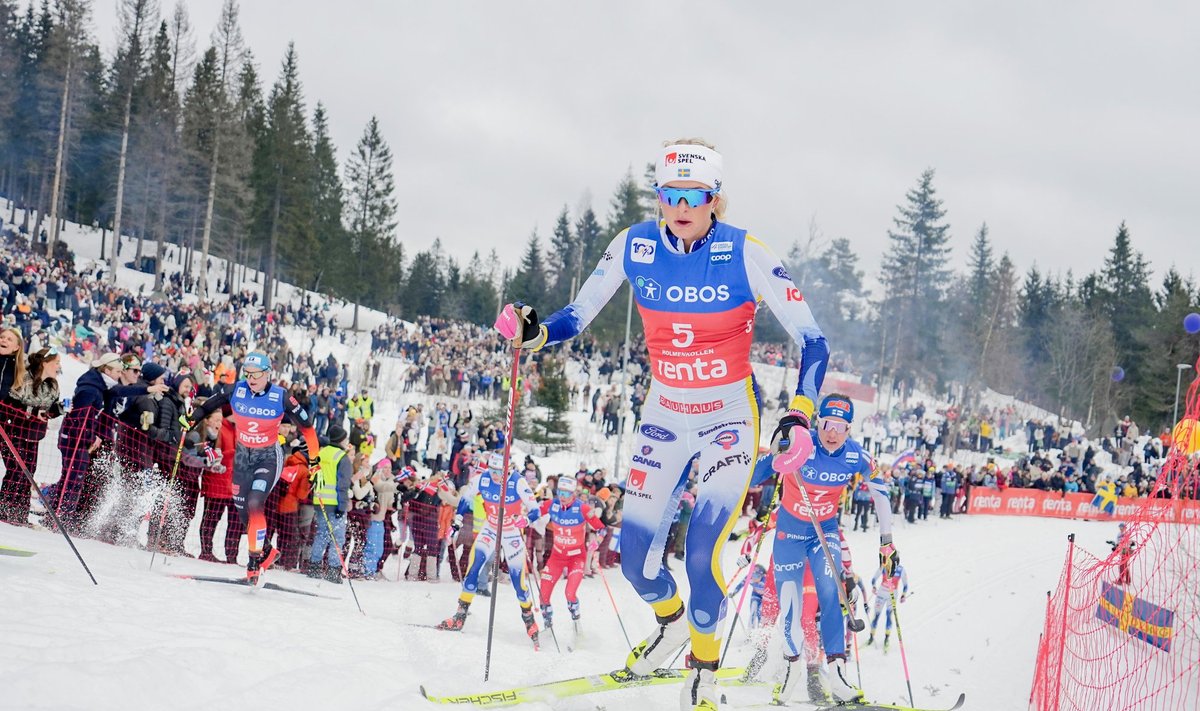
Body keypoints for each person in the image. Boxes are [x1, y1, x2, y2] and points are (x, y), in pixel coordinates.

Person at [505, 138, 828, 711]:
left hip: (728, 415)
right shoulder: (634, 245)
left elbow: (812, 338)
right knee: (635, 561)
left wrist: (800, 414)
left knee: (702, 552)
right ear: (659, 197)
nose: (680, 205)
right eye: (669, 194)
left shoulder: (744, 251)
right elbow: (576, 315)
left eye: (694, 194)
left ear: (714, 199)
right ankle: (673, 624)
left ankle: (702, 669)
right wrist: (535, 333)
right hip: (663, 415)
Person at [768, 394, 897, 705]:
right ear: (817, 423)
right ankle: (790, 667)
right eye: (827, 423)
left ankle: (837, 672)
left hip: (823, 533)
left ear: (849, 429)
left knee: (830, 592)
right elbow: (767, 461)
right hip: (789, 532)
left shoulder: (858, 457)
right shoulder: (801, 443)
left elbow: (881, 495)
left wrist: (886, 540)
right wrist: (778, 447)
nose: (832, 432)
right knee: (791, 602)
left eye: (841, 426)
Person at [185, 352, 319, 584]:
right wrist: (191, 418)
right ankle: (266, 549)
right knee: (242, 508)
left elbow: (307, 428)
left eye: (256, 374)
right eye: (247, 374)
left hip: (268, 456)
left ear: (267, 373)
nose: (251, 379)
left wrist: (315, 460)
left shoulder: (281, 396)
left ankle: (254, 562)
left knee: (256, 501)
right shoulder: (237, 390)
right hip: (243, 456)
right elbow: (210, 404)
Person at [438, 450, 542, 648]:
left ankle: (529, 620)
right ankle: (460, 615)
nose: (495, 475)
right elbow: (466, 499)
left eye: (499, 471)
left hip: (511, 532)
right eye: (492, 470)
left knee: (517, 580)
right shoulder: (482, 479)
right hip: (491, 528)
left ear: (507, 469)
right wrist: (457, 522)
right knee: (474, 566)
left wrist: (526, 519)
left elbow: (535, 508)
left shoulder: (517, 482)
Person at [0, 346, 62, 525]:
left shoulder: (52, 384)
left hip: (34, 434)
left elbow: (53, 406)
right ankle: (5, 510)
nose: (58, 366)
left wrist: (54, 412)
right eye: (56, 363)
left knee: (29, 472)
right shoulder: (24, 379)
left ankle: (19, 514)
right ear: (45, 363)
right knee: (16, 471)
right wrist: (33, 412)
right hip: (15, 432)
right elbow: (10, 404)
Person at [535, 474, 605, 630]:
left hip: (576, 558)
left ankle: (576, 622)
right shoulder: (552, 505)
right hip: (556, 557)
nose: (562, 496)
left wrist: (597, 541)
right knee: (543, 595)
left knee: (570, 593)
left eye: (566, 493)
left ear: (573, 493)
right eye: (560, 492)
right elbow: (534, 512)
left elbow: (602, 529)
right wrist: (523, 519)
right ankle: (548, 625)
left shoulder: (582, 508)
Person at [308, 425, 353, 582]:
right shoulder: (342, 457)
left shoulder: (320, 452)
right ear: (341, 439)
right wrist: (342, 506)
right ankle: (333, 570)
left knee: (321, 534)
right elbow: (343, 484)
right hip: (334, 502)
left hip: (319, 500)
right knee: (337, 537)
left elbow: (312, 474)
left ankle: (314, 565)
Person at [867, 562, 909, 650]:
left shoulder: (901, 569)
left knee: (889, 615)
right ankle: (871, 636)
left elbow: (905, 585)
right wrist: (874, 587)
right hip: (881, 594)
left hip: (892, 595)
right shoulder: (884, 566)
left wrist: (903, 595)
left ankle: (886, 638)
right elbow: (874, 579)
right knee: (877, 615)